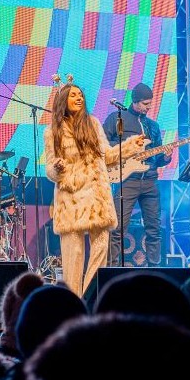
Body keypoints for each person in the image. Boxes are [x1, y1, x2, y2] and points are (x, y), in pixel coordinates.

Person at [44, 81, 144, 297]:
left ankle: (90, 299)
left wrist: (130, 146)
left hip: (97, 196)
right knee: (73, 255)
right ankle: (73, 302)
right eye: (73, 95)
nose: (79, 98)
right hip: (71, 198)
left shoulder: (93, 124)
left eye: (80, 94)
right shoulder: (53, 131)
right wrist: (57, 168)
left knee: (100, 251)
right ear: (63, 100)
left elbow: (107, 155)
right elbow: (50, 168)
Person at [104, 82, 169, 267]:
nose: (149, 107)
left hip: (150, 181)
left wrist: (165, 157)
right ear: (135, 101)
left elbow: (156, 158)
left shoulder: (153, 126)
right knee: (117, 229)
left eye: (150, 104)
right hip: (127, 181)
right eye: (145, 104)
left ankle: (155, 270)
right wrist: (127, 149)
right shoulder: (117, 118)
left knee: (154, 229)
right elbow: (103, 144)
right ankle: (113, 270)